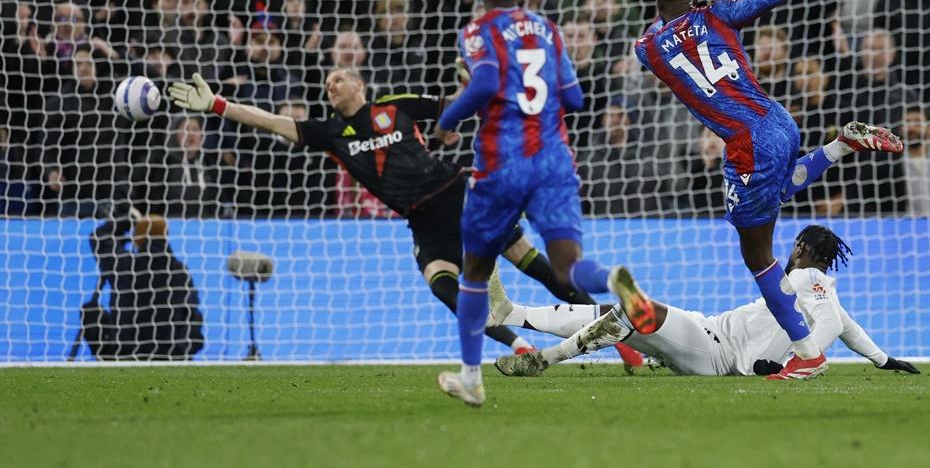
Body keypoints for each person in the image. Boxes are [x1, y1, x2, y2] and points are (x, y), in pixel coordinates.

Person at [165, 65, 599, 364]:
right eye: (327, 85)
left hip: (458, 195)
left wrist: (471, 91)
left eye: (337, 80)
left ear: (360, 85)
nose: (330, 87)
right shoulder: (332, 135)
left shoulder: (397, 106)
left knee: (531, 260)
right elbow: (272, 121)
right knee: (443, 286)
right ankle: (521, 348)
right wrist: (219, 105)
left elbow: (458, 107)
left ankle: (616, 331)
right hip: (423, 221)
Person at [631, 0, 903, 382]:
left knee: (758, 256)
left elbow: (659, 27)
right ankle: (837, 147)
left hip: (745, 142)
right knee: (772, 197)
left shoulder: (649, 48)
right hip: (778, 120)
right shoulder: (717, 13)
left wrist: (678, 9)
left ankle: (807, 352)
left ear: (659, 4)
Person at [431, 0, 622, 406]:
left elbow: (483, 84)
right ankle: (614, 279)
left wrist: (448, 122)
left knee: (475, 271)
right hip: (553, 161)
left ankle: (472, 379)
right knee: (568, 266)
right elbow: (575, 99)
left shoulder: (478, 31)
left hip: (502, 162)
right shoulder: (548, 29)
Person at [491, 225, 919, 379]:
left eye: (796, 246)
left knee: (641, 311)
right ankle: (515, 315)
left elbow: (827, 324)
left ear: (803, 248)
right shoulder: (814, 289)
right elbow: (846, 327)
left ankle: (543, 359)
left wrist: (798, 363)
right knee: (619, 315)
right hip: (705, 334)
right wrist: (883, 360)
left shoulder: (809, 277)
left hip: (718, 351)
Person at [82, 210, 204, 360]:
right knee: (194, 314)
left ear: (137, 237)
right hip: (169, 351)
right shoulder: (180, 271)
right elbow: (191, 310)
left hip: (124, 351)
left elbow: (98, 238)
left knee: (90, 311)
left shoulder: (124, 265)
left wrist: (123, 221)